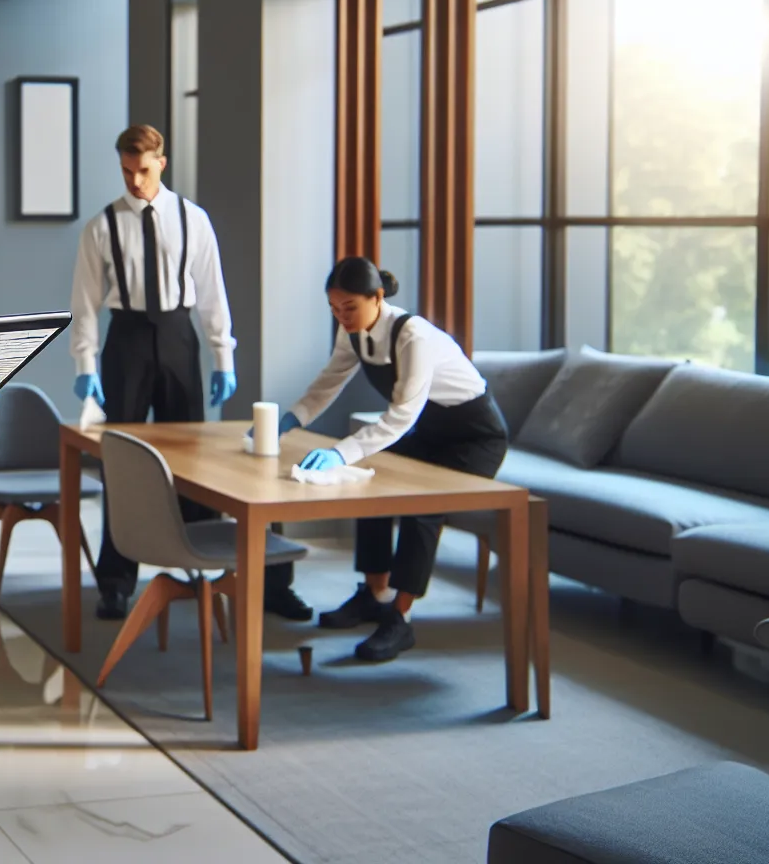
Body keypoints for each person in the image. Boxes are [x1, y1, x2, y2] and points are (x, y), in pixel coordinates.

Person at [69, 124, 311, 624]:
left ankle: (206, 567)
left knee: (192, 458)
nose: (134, 181)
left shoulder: (192, 219)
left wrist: (224, 357)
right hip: (126, 340)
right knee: (121, 462)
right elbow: (85, 303)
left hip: (180, 338)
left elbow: (212, 292)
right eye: (126, 171)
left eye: (143, 170)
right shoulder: (101, 227)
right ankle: (116, 583)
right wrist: (85, 365)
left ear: (162, 162)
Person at [279, 256, 509, 662]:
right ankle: (375, 593)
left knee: (423, 505)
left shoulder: (412, 336)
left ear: (377, 297)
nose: (342, 317)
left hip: (475, 439)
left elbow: (401, 416)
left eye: (350, 307)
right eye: (334, 308)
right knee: (370, 482)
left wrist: (339, 451)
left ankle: (399, 618)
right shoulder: (352, 333)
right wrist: (293, 418)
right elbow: (329, 381)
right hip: (433, 432)